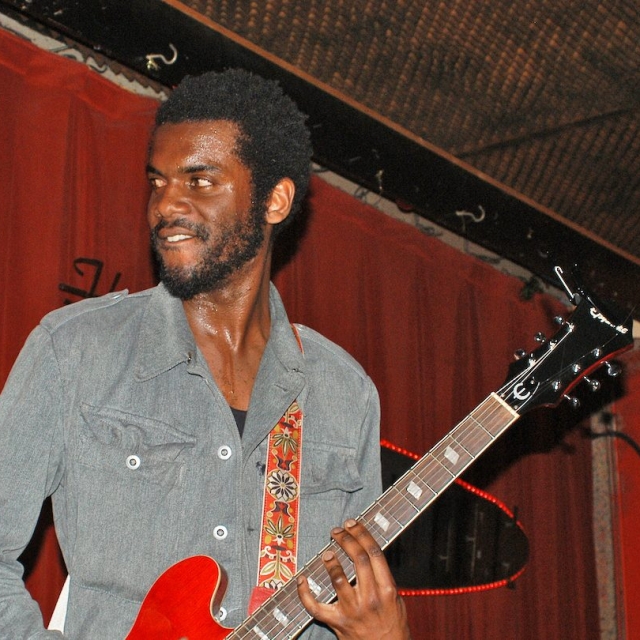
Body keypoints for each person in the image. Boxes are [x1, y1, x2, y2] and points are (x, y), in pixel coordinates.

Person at [0, 69, 410, 639]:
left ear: (275, 200)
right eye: (158, 182)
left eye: (199, 181)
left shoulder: (343, 393)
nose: (165, 205)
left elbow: (347, 606)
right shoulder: (75, 351)